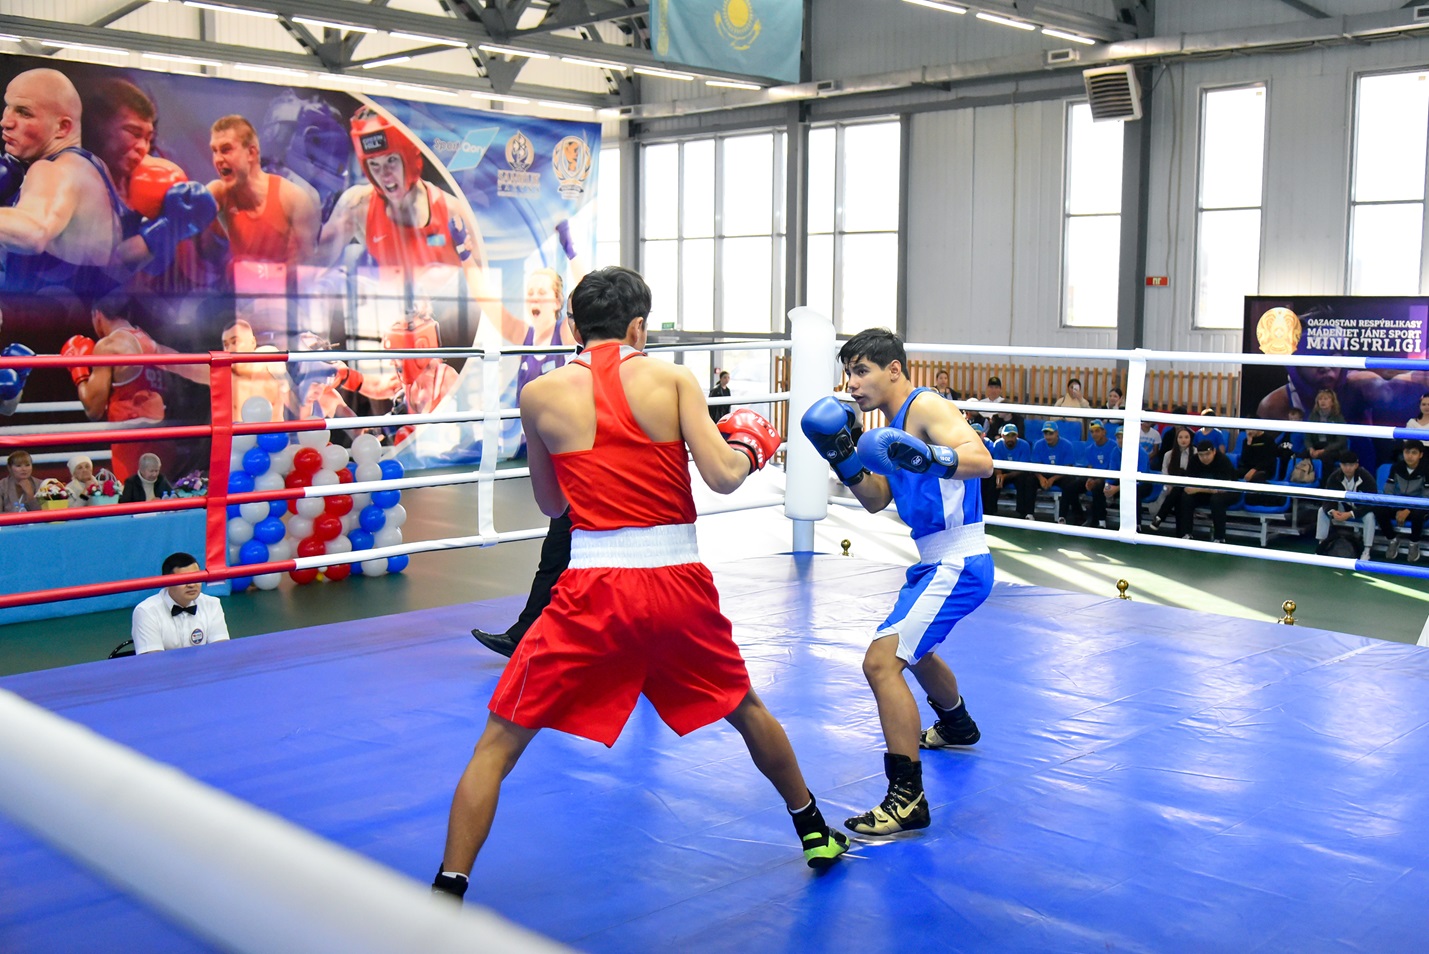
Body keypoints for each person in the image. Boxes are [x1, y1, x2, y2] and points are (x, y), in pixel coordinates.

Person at [432, 267, 847, 901]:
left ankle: (448, 888)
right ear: (637, 327)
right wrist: (749, 448)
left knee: (499, 740)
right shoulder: (672, 380)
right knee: (744, 708)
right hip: (677, 586)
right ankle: (814, 830)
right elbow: (724, 477)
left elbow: (550, 505)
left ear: (574, 326)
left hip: (592, 590)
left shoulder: (539, 394)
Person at [801, 327, 993, 836]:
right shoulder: (886, 432)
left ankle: (907, 799)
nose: (852, 383)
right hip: (932, 561)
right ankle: (956, 724)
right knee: (916, 650)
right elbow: (876, 499)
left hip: (958, 559)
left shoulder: (925, 406)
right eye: (848, 373)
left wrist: (930, 456)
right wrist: (841, 456)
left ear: (893, 369)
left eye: (861, 371)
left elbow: (982, 461)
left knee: (882, 662)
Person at [0, 68, 215, 298]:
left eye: (24, 112)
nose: (5, 121)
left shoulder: (56, 171)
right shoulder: (96, 171)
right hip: (73, 317)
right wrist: (163, 231)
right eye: (8, 107)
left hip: (38, 318)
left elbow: (33, 232)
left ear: (63, 127)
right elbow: (113, 266)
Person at [62, 302, 204, 480]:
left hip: (133, 442)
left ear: (97, 314)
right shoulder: (150, 343)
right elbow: (172, 391)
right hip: (164, 439)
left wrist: (79, 370)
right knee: (162, 494)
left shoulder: (110, 345)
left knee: (134, 495)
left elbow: (93, 409)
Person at [206, 115, 320, 265]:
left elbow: (309, 267)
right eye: (215, 151)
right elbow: (193, 209)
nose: (218, 159)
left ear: (251, 153)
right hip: (238, 280)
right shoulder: (220, 193)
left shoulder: (293, 198)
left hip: (283, 279)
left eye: (226, 150)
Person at [131, 551, 229, 654]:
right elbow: (153, 660)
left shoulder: (212, 604)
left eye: (196, 577)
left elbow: (221, 651)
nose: (192, 585)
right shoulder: (146, 611)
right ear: (166, 582)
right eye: (184, 579)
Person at [222, 317, 290, 422]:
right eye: (226, 345)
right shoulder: (223, 373)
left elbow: (295, 405)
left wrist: (284, 381)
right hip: (239, 432)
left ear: (253, 342)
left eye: (235, 342)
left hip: (272, 432)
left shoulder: (268, 360)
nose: (230, 350)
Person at [1316, 450, 1377, 560]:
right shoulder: (1334, 477)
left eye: (1351, 465)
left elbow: (1372, 502)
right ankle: (1322, 545)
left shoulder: (1366, 477)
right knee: (1322, 511)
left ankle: (1366, 550)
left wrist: (1351, 514)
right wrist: (1332, 511)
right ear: (1340, 465)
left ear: (1356, 465)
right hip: (1343, 507)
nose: (1348, 468)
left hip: (1361, 509)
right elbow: (1327, 498)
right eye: (1345, 465)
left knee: (1370, 516)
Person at [1179, 440, 1239, 543]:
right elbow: (1189, 484)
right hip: (1206, 492)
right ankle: (1186, 533)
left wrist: (1197, 489)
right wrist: (1192, 489)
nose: (1205, 458)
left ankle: (1220, 537)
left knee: (1217, 500)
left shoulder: (1223, 460)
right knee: (1186, 497)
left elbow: (1222, 489)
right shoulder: (1194, 460)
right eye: (1201, 455)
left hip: (1229, 491)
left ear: (1214, 451)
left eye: (1207, 454)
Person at [1378, 440, 1428, 562]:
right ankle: (1392, 540)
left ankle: (1414, 543)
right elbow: (1388, 490)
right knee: (1379, 509)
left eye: (1414, 453)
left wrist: (1408, 510)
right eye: (1407, 452)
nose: (1410, 456)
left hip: (1420, 506)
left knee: (1418, 514)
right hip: (1399, 504)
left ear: (1421, 455)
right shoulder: (1396, 467)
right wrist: (1397, 509)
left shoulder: (1427, 470)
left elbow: (1426, 496)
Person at [1099, 426, 1155, 527]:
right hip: (1122, 481)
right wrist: (1107, 485)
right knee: (1098, 487)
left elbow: (1139, 478)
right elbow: (1112, 471)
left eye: (1123, 437)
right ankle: (1101, 521)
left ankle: (1137, 525)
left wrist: (1117, 488)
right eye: (1118, 437)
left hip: (1142, 483)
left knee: (1133, 492)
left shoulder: (1141, 453)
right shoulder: (1115, 451)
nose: (1120, 440)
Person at [1032, 421, 1084, 524]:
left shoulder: (1067, 445)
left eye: (1051, 433)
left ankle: (1062, 517)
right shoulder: (1038, 445)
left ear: (1057, 433)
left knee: (1069, 483)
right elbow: (1035, 465)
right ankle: (1028, 514)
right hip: (1044, 473)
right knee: (1029, 479)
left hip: (1061, 475)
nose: (1048, 436)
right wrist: (1041, 478)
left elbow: (1068, 467)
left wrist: (1052, 479)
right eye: (1046, 433)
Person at [1149, 426, 1194, 534]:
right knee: (1177, 495)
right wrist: (1169, 485)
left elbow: (1196, 474)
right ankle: (1182, 534)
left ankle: (1160, 517)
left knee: (1179, 487)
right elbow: (1164, 474)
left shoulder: (1196, 453)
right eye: (1180, 437)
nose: (1183, 440)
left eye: (1186, 437)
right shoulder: (1168, 455)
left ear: (1190, 439)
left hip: (1190, 488)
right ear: (1176, 439)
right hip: (1171, 488)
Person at [989, 422, 1035, 519]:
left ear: (1017, 436)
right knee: (991, 479)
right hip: (1003, 471)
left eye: (1012, 435)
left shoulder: (1024, 445)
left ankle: (1023, 512)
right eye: (1007, 436)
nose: (1010, 438)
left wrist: (1005, 476)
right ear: (1002, 436)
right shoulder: (998, 445)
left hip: (1018, 473)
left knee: (1025, 479)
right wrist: (999, 476)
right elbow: (996, 464)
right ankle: (989, 511)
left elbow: (1023, 468)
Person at [1079, 421, 1115, 528]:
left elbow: (1112, 468)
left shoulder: (1114, 447)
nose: (1094, 434)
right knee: (1072, 486)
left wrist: (1096, 481)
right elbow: (1090, 465)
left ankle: (1100, 521)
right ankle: (1079, 516)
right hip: (1095, 476)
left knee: (1097, 487)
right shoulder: (1089, 449)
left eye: (1097, 431)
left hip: (1110, 478)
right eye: (1092, 432)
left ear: (1104, 432)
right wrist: (1090, 479)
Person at [1305, 388, 1348, 465]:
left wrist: (1323, 450)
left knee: (1325, 457)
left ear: (1332, 402)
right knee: (1301, 456)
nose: (1322, 401)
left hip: (1332, 448)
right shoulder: (1313, 416)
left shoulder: (1338, 417)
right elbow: (1307, 437)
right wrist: (1310, 448)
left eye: (1326, 399)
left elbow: (1341, 441)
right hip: (1317, 446)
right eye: (1320, 399)